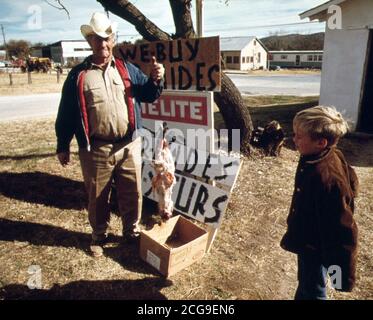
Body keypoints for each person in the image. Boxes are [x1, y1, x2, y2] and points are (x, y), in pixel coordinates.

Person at [55, 12, 164, 257]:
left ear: (113, 40)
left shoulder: (127, 69)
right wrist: (63, 144)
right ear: (89, 41)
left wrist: (156, 79)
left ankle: (131, 231)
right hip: (96, 149)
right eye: (96, 39)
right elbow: (67, 113)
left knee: (132, 191)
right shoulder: (78, 76)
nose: (102, 44)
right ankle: (99, 235)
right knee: (97, 195)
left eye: (107, 38)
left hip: (129, 145)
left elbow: (148, 94)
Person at [280, 106, 359, 300]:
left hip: (315, 246)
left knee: (314, 291)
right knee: (307, 283)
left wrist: (342, 276)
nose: (294, 139)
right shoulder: (322, 155)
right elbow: (353, 180)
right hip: (308, 238)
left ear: (321, 142)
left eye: (299, 136)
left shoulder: (327, 179)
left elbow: (343, 230)